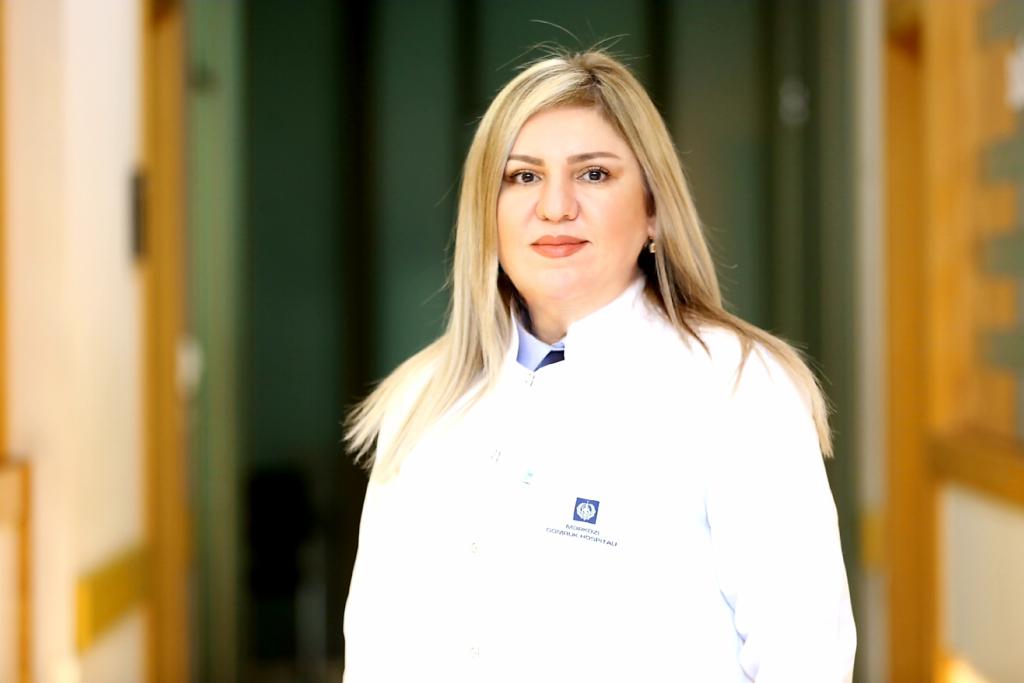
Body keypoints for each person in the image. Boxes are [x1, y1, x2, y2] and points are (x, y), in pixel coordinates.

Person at [343, 50, 856, 682]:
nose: (555, 207)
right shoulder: (421, 399)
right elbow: (375, 647)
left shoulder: (737, 386)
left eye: (593, 174)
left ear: (653, 210)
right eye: (522, 176)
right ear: (486, 213)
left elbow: (803, 658)